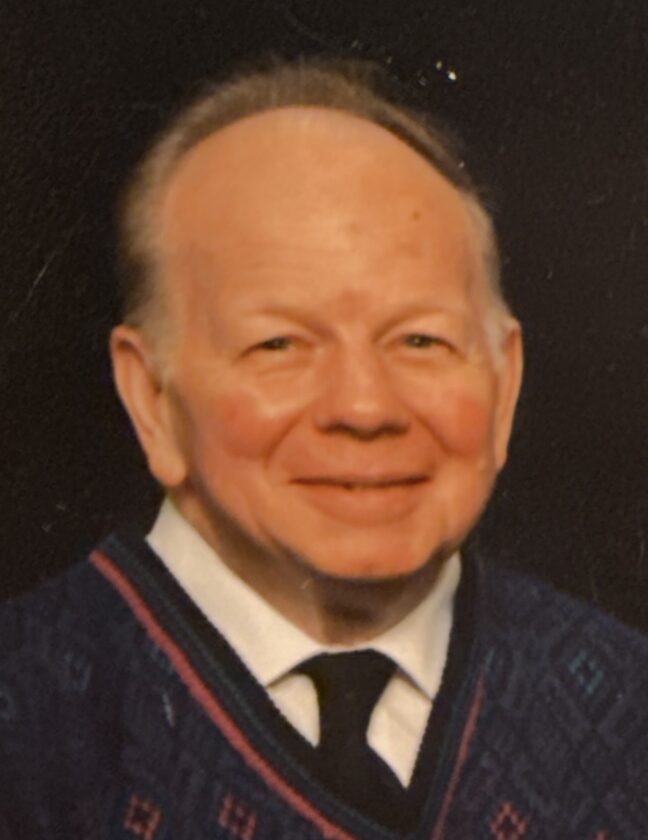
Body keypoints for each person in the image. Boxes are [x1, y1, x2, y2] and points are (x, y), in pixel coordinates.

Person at [1, 57, 647, 840]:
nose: (364, 408)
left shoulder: (629, 710)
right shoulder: (26, 723)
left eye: (420, 340)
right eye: (279, 345)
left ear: (504, 384)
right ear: (152, 400)